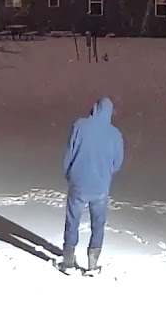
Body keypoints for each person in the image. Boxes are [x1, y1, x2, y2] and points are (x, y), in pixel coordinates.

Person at [61, 97, 125, 275]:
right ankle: (92, 264)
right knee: (98, 224)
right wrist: (105, 174)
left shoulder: (80, 126)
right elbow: (117, 162)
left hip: (78, 183)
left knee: (72, 221)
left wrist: (69, 174)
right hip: (100, 187)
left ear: (95, 109)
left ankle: (68, 261)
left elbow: (70, 152)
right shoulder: (115, 134)